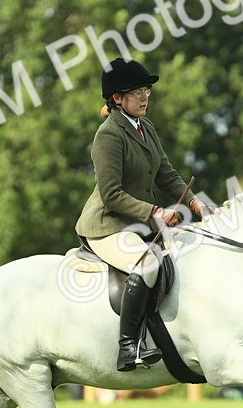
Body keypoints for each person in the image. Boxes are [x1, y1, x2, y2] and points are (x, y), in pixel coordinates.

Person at [75, 57, 213, 372]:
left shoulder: (145, 127)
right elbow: (111, 194)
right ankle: (128, 347)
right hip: (107, 225)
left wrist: (195, 203)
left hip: (137, 223)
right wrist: (156, 212)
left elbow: (166, 173)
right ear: (117, 98)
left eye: (146, 91)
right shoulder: (108, 136)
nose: (144, 98)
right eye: (136, 92)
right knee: (148, 265)